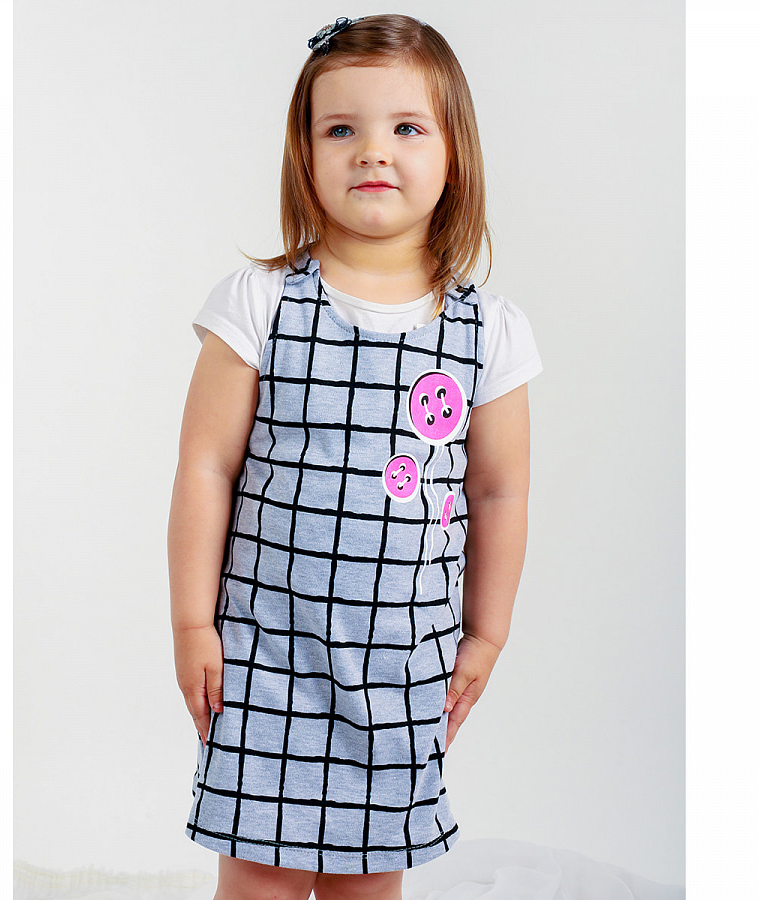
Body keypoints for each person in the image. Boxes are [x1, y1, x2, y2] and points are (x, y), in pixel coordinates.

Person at [167, 14, 543, 900]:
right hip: (267, 655)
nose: (373, 150)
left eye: (407, 127)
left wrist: (486, 633)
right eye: (341, 129)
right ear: (304, 156)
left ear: (455, 156)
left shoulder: (489, 332)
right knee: (258, 876)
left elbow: (498, 494)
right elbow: (205, 469)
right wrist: (191, 625)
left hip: (400, 666)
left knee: (368, 881)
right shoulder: (259, 305)